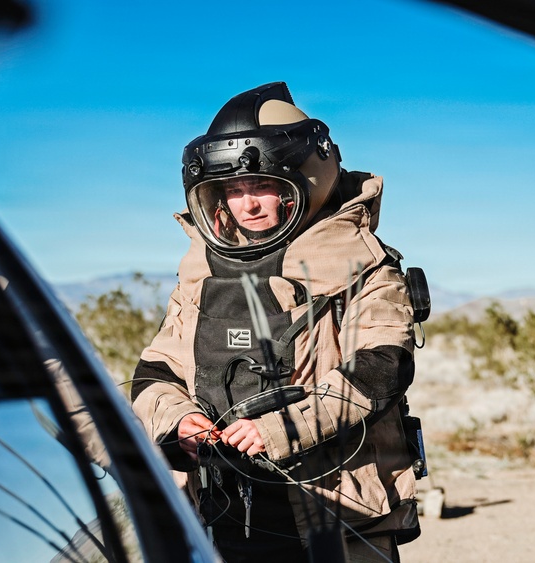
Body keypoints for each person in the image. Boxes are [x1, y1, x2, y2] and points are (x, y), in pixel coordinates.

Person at [131, 82, 420, 562]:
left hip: (339, 521)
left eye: (262, 185)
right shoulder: (198, 276)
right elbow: (154, 372)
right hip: (215, 514)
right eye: (233, 190)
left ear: (308, 179)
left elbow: (382, 367)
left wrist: (279, 428)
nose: (249, 204)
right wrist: (181, 422)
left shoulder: (365, 267)